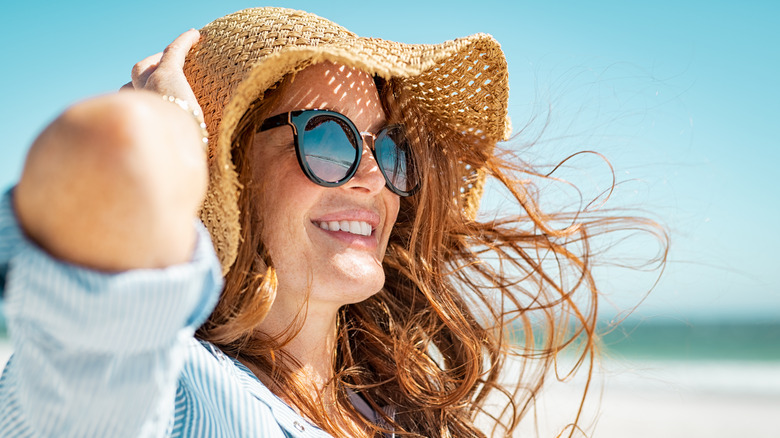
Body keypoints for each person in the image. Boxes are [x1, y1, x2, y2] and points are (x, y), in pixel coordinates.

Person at [0, 7, 665, 438]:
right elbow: (95, 155)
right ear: (228, 168)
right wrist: (167, 133)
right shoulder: (163, 393)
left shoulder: (393, 413)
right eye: (328, 140)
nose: (373, 177)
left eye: (390, 147)